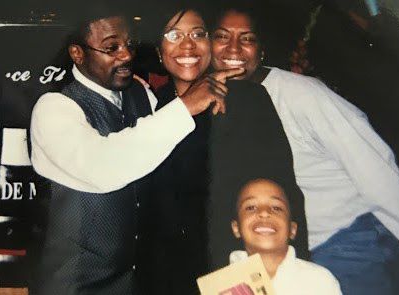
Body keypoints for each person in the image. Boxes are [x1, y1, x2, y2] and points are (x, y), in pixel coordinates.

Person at [29, 8, 241, 294]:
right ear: (78, 54)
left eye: (129, 44)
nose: (127, 55)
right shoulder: (54, 108)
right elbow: (104, 167)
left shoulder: (141, 95)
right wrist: (186, 106)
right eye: (111, 47)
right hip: (75, 287)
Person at [210, 6, 399, 295]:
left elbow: (377, 170)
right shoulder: (212, 100)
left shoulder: (302, 95)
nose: (234, 48)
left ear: (261, 50)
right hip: (276, 252)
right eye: (222, 37)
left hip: (345, 242)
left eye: (247, 38)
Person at [136, 6, 217, 295]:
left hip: (220, 268)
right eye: (174, 35)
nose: (187, 44)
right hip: (158, 272)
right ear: (159, 52)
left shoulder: (238, 105)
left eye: (198, 34)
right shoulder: (145, 107)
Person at [230, 178, 342, 295]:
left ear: (292, 230)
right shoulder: (219, 284)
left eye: (276, 208)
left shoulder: (320, 281)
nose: (264, 213)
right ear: (236, 228)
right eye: (251, 207)